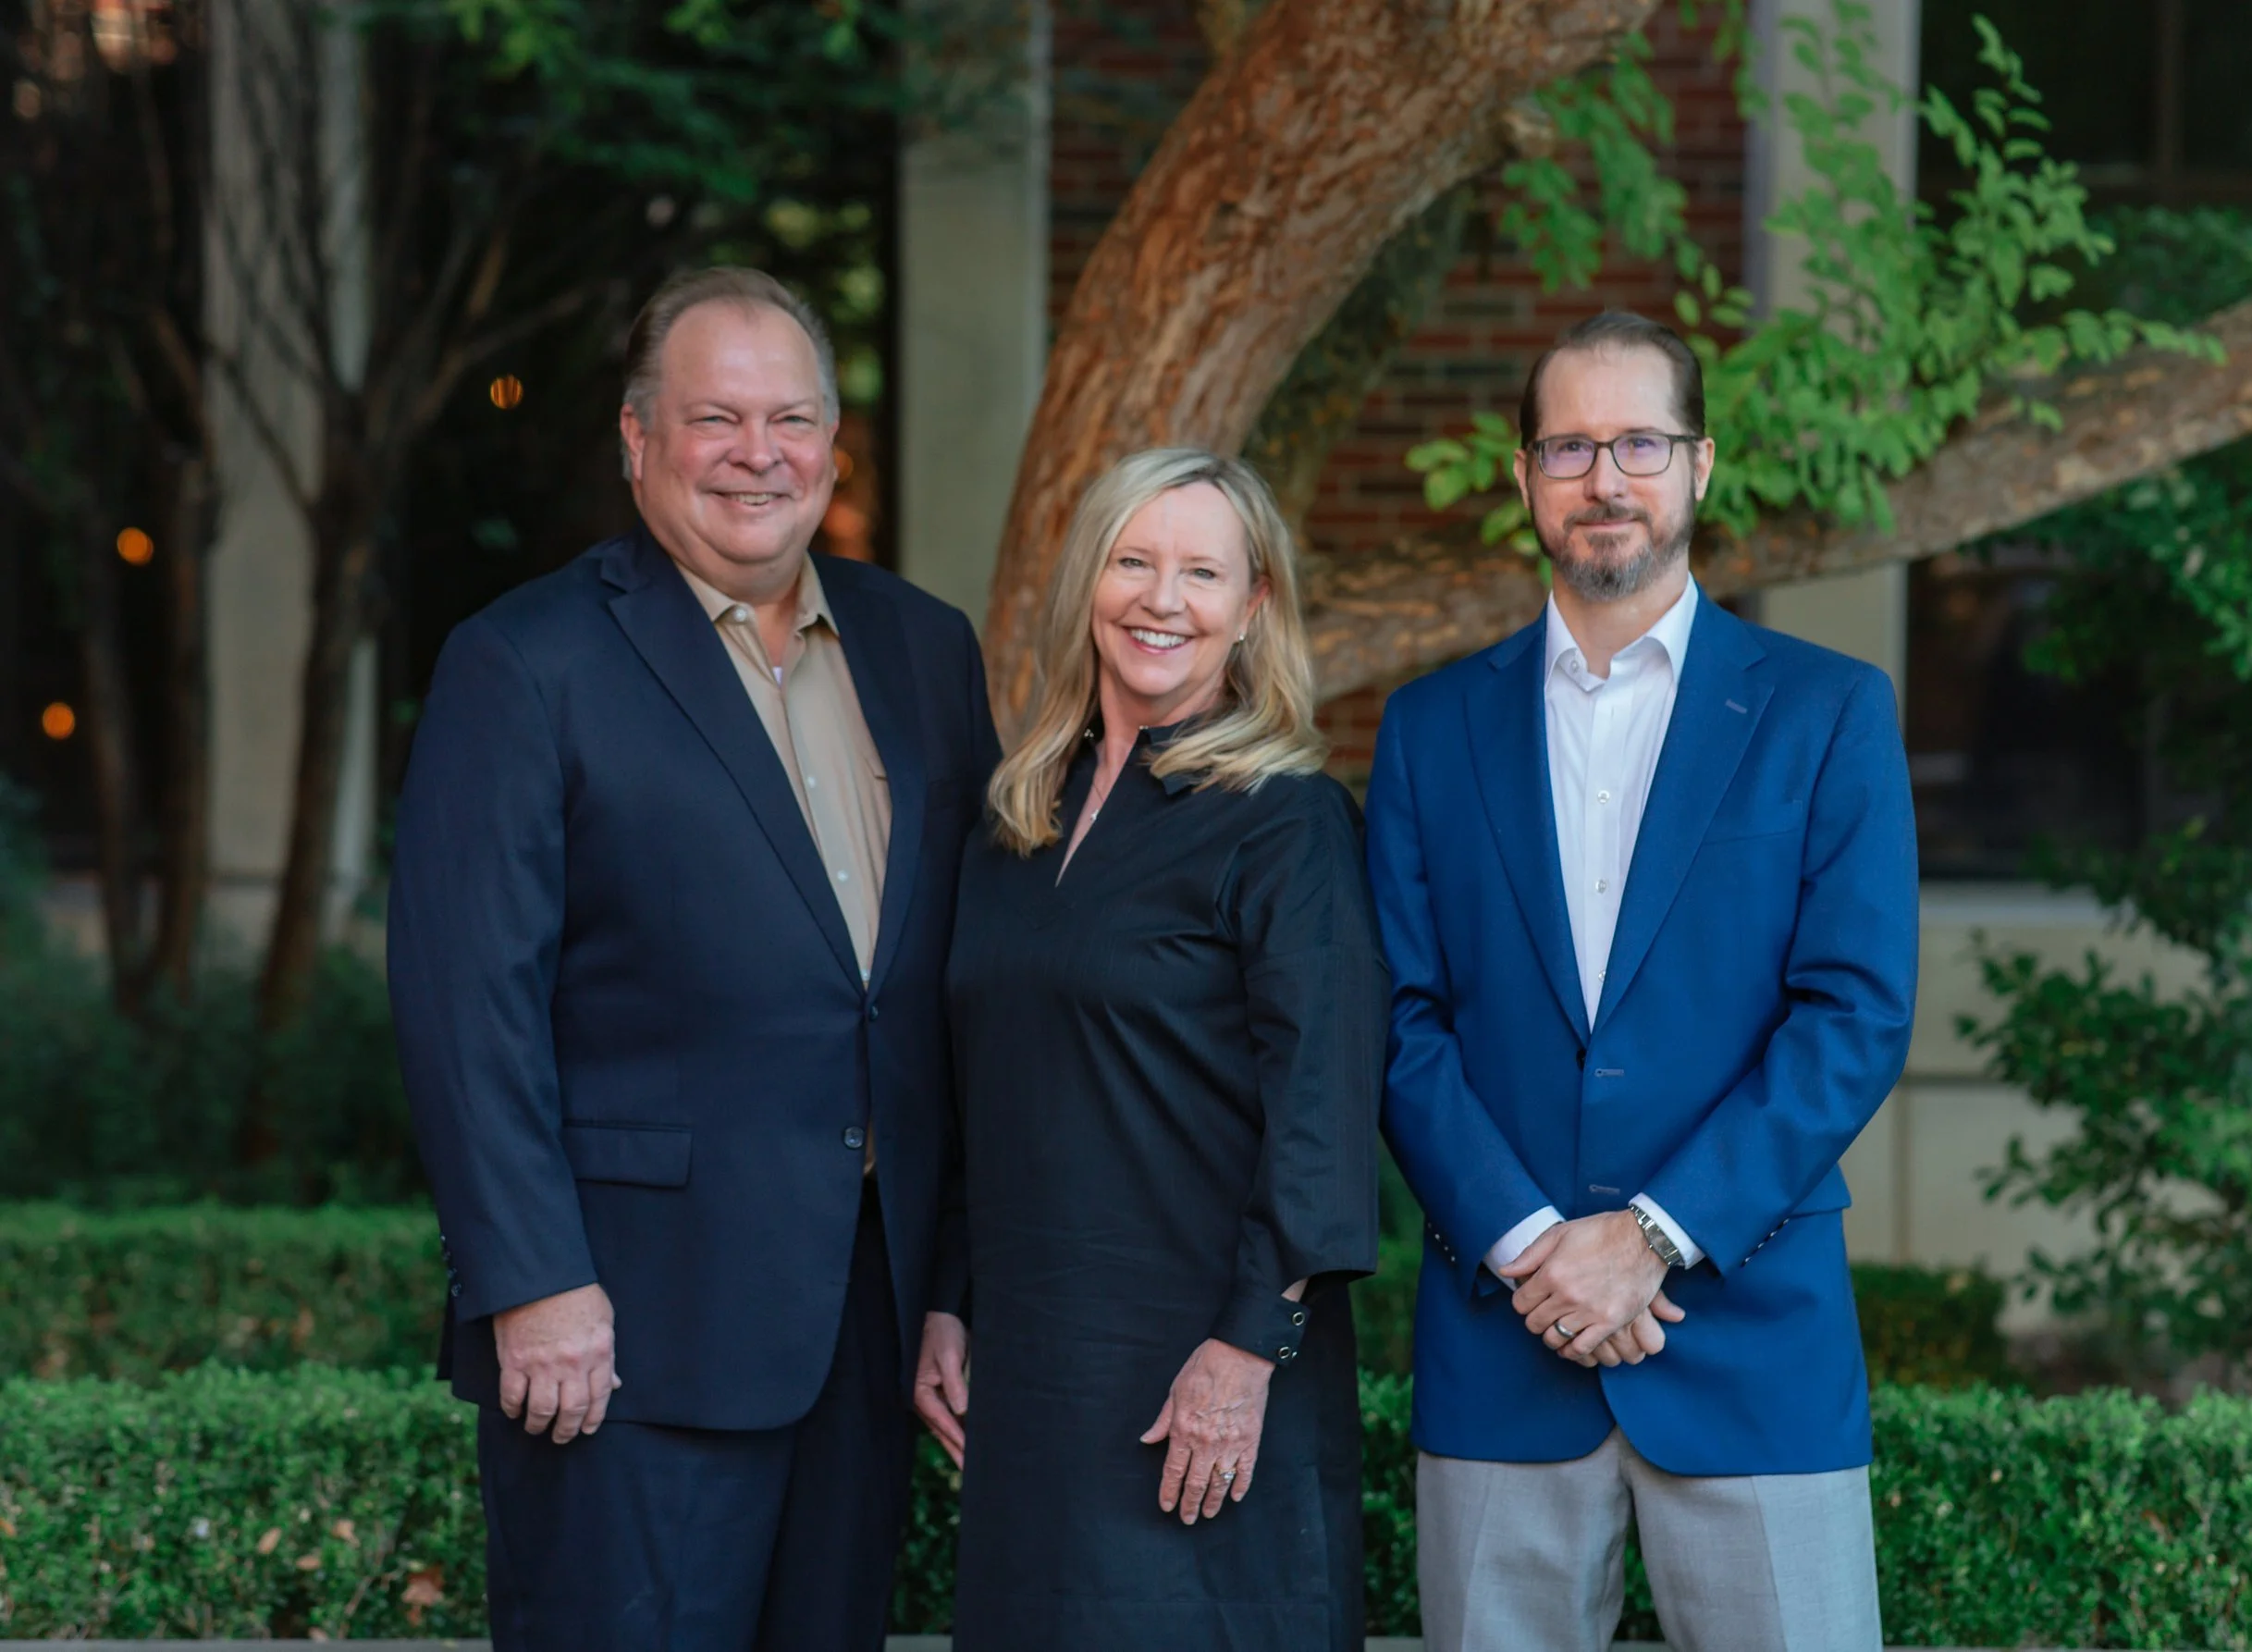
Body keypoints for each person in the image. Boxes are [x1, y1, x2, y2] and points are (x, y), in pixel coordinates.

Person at [389, 266, 999, 1651]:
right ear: (638, 435)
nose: (756, 453)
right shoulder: (525, 661)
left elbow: (960, 989)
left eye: (791, 419)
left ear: (833, 443)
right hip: (623, 1333)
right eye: (715, 417)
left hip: (866, 1323)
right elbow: (464, 1005)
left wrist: (953, 1280)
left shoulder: (924, 648)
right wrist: (532, 1281)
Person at [1366, 311, 1918, 1651]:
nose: (1604, 477)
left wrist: (1650, 1236)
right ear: (1524, 476)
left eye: (1640, 443)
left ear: (1700, 463)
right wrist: (1531, 1246)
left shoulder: (1825, 711)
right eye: (1569, 446)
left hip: (1753, 1341)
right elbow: (1397, 1018)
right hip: (1505, 1342)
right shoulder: (1430, 728)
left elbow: (1853, 1016)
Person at [922, 449, 1386, 1651]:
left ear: (1254, 605)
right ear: (1088, 581)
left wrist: (1247, 1345)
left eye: (1202, 572)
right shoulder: (1015, 819)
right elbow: (977, 1090)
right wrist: (947, 1301)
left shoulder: (1287, 822)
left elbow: (1326, 1109)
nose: (1161, 600)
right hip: (1033, 1364)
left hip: (1206, 1367)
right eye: (1133, 561)